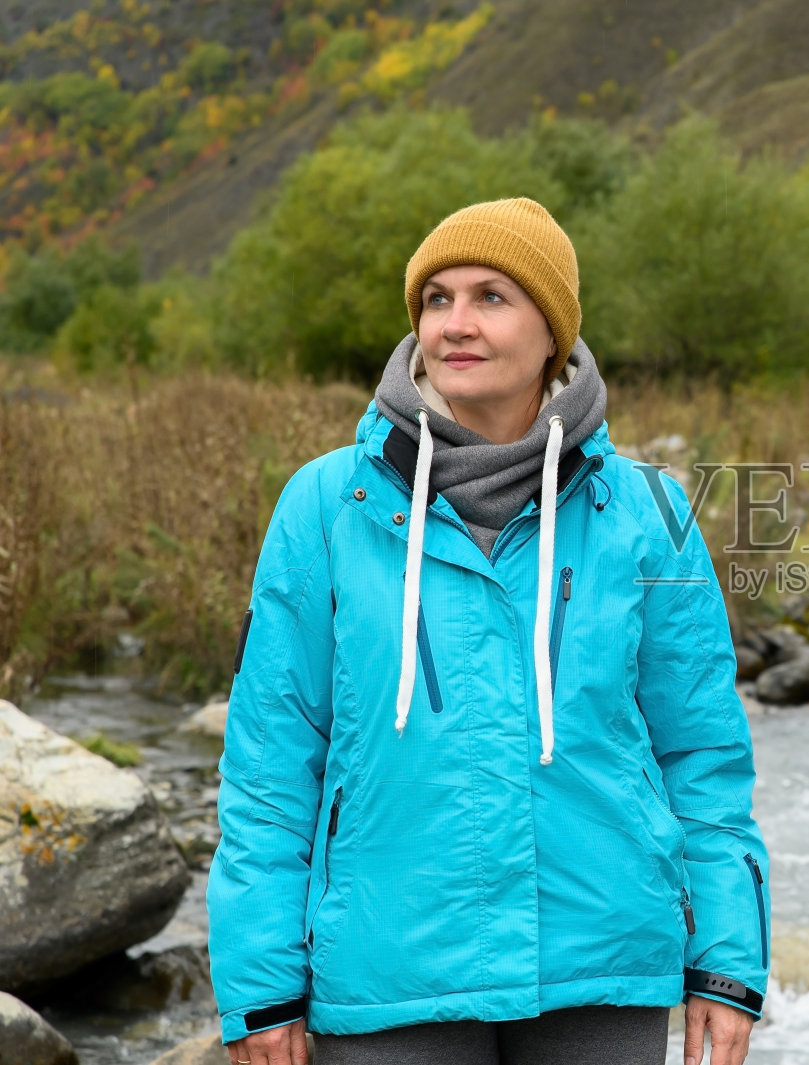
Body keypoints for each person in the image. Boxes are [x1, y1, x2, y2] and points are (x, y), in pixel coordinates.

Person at [207, 197, 771, 1065]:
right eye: (436, 298)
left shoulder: (649, 512)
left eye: (491, 297)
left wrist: (726, 961)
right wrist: (260, 981)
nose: (455, 324)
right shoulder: (325, 506)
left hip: (603, 959)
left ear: (554, 332)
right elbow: (272, 763)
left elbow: (701, 754)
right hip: (390, 963)